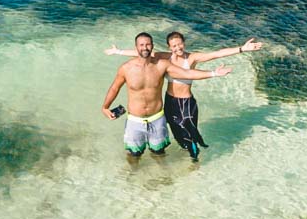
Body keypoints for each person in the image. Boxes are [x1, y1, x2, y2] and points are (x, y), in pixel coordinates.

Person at [106, 33, 265, 162]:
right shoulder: (165, 57)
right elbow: (142, 52)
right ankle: (183, 148)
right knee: (176, 133)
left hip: (185, 102)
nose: (178, 48)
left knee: (189, 132)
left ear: (184, 43)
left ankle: (195, 158)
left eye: (180, 44)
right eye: (174, 46)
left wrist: (241, 49)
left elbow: (215, 54)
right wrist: (118, 51)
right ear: (170, 47)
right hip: (169, 101)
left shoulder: (191, 58)